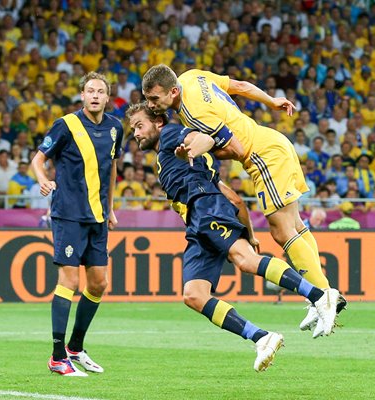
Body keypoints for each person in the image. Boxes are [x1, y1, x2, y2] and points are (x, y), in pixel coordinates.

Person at [126, 102, 341, 371]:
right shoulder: (169, 158)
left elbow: (202, 137)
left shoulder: (171, 134)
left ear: (158, 122)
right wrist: (250, 234)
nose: (135, 133)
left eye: (139, 125)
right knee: (194, 295)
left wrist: (192, 146)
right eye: (133, 128)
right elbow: (236, 199)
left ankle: (319, 295)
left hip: (206, 207)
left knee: (247, 261)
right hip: (198, 220)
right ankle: (262, 337)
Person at [141, 64, 345, 331]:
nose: (151, 105)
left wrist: (201, 151)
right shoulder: (192, 76)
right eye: (147, 99)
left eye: (155, 99)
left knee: (283, 232)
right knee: (295, 226)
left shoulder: (194, 113)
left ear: (173, 91)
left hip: (262, 156)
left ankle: (323, 297)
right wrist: (272, 101)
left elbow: (236, 148)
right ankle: (323, 294)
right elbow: (241, 86)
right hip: (272, 142)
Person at [31, 71, 124, 377]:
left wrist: (109, 208)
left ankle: (75, 348)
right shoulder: (66, 124)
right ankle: (57, 357)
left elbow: (111, 168)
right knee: (69, 283)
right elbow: (38, 159)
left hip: (97, 216)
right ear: (82, 96)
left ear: (107, 97)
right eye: (90, 90)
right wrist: (43, 180)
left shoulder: (115, 128)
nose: (95, 95)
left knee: (99, 283)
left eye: (100, 91)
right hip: (68, 214)